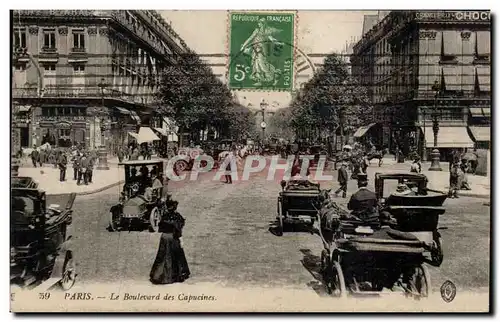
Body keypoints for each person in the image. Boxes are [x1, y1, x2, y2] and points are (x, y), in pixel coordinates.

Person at [150, 199, 190, 284]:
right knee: (176, 256)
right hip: (172, 237)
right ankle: (174, 275)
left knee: (162, 257)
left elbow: (160, 228)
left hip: (164, 238)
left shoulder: (164, 216)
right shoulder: (177, 216)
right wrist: (181, 240)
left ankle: (158, 275)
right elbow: (178, 230)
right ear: (175, 208)